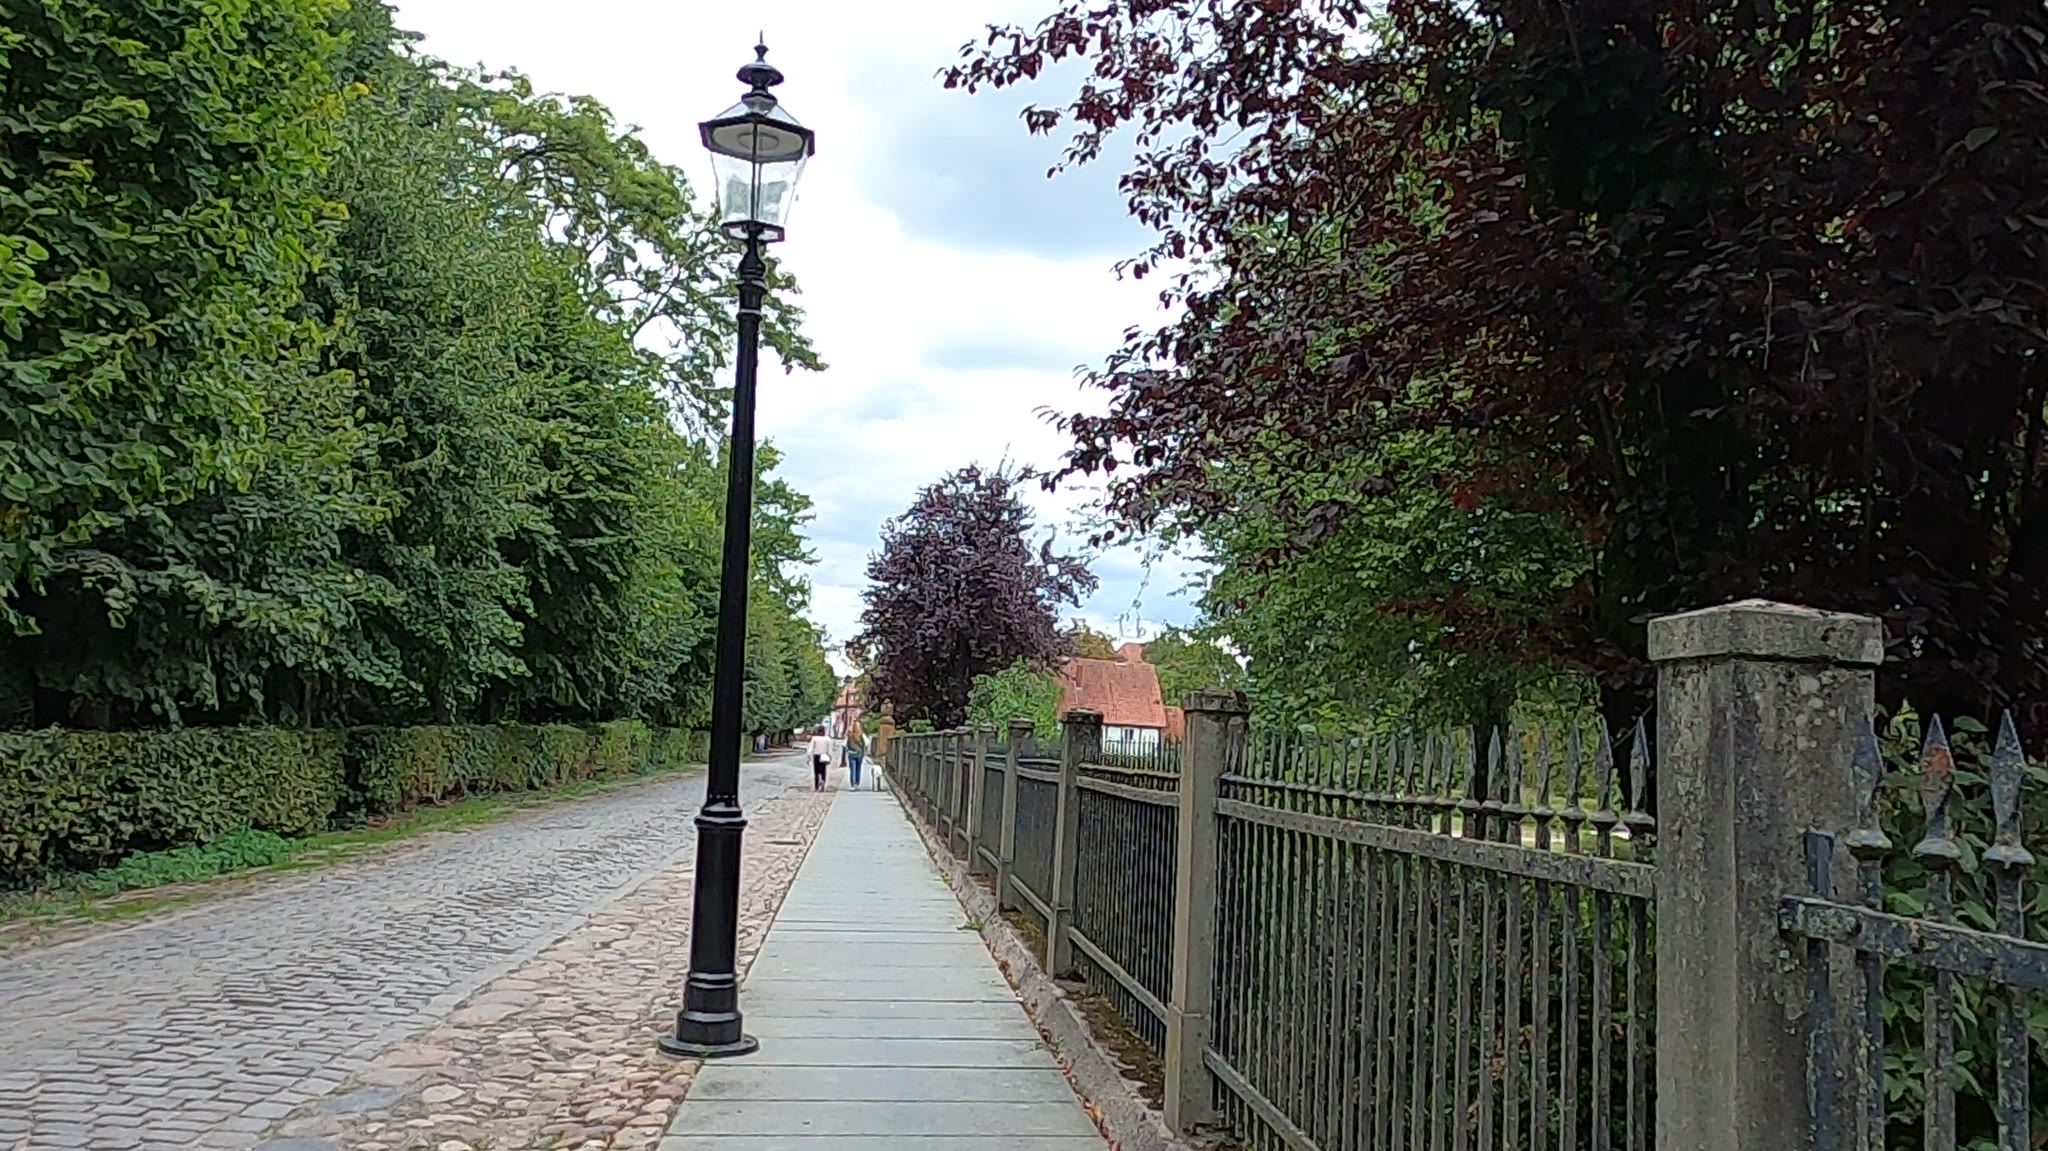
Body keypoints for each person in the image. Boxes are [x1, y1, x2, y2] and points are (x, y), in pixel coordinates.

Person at [805, 726, 831, 792]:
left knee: (816, 771)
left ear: (818, 731)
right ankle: (823, 781)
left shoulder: (814, 738)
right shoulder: (827, 739)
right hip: (824, 756)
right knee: (823, 770)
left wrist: (808, 757)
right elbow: (829, 750)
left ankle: (816, 786)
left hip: (816, 756)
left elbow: (810, 748)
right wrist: (830, 757)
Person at [844, 723, 867, 789]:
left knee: (852, 769)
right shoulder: (861, 735)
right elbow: (867, 743)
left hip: (851, 753)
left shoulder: (849, 735)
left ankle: (852, 784)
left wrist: (848, 749)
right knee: (858, 769)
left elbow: (845, 744)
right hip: (859, 754)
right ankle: (857, 783)